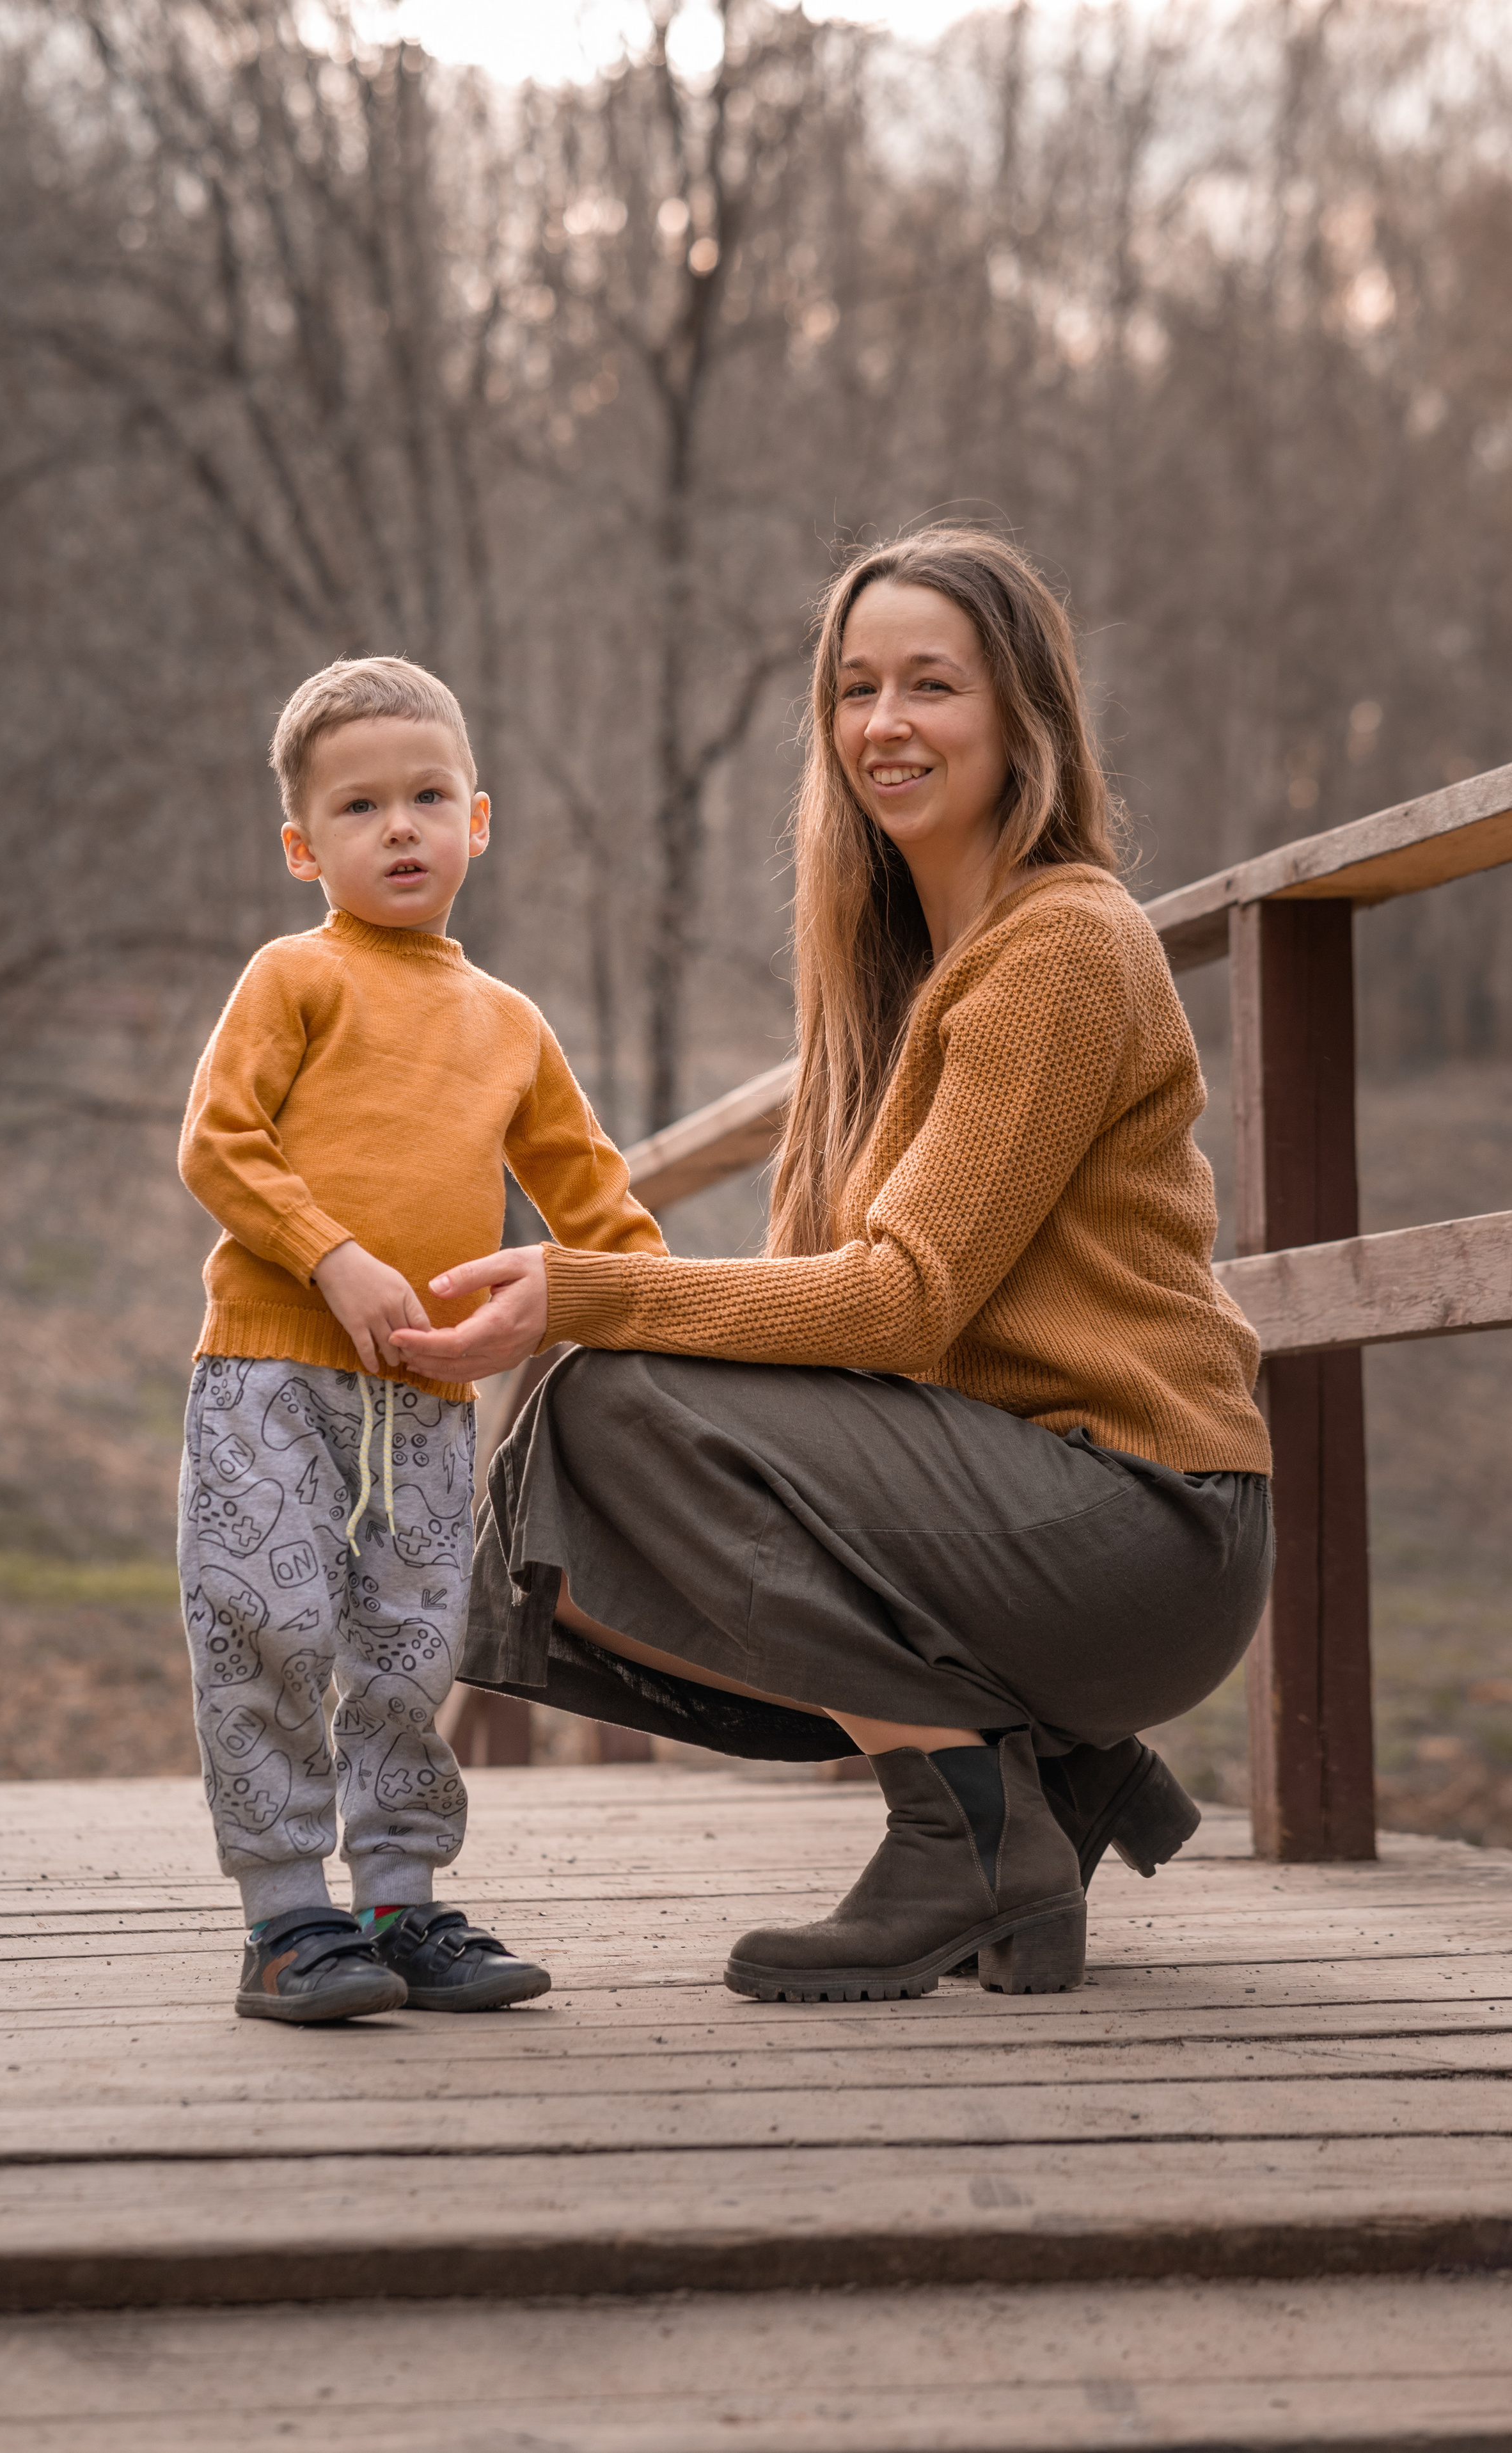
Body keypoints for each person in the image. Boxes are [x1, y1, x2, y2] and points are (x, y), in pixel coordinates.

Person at [391, 528, 1275, 2007]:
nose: (883, 723)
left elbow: (898, 1299)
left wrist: (586, 1289)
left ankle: (979, 1825)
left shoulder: (1061, 948)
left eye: (930, 684)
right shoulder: (893, 977)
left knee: (610, 1408)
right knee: (604, 1447)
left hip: (1144, 1519)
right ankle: (1043, 1786)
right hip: (1036, 1506)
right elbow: (814, 1318)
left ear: (1021, 718)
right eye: (855, 688)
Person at [177, 655, 664, 2024]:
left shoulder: (505, 1024)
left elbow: (593, 1196)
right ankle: (285, 1920)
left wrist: (670, 1314)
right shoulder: (295, 979)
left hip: (431, 1396)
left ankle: (398, 1906)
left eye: (426, 796)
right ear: (301, 845)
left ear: (478, 820)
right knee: (264, 1624)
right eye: (358, 807)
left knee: (409, 1646)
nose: (399, 827)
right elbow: (219, 1146)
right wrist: (329, 1259)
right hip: (270, 1372)